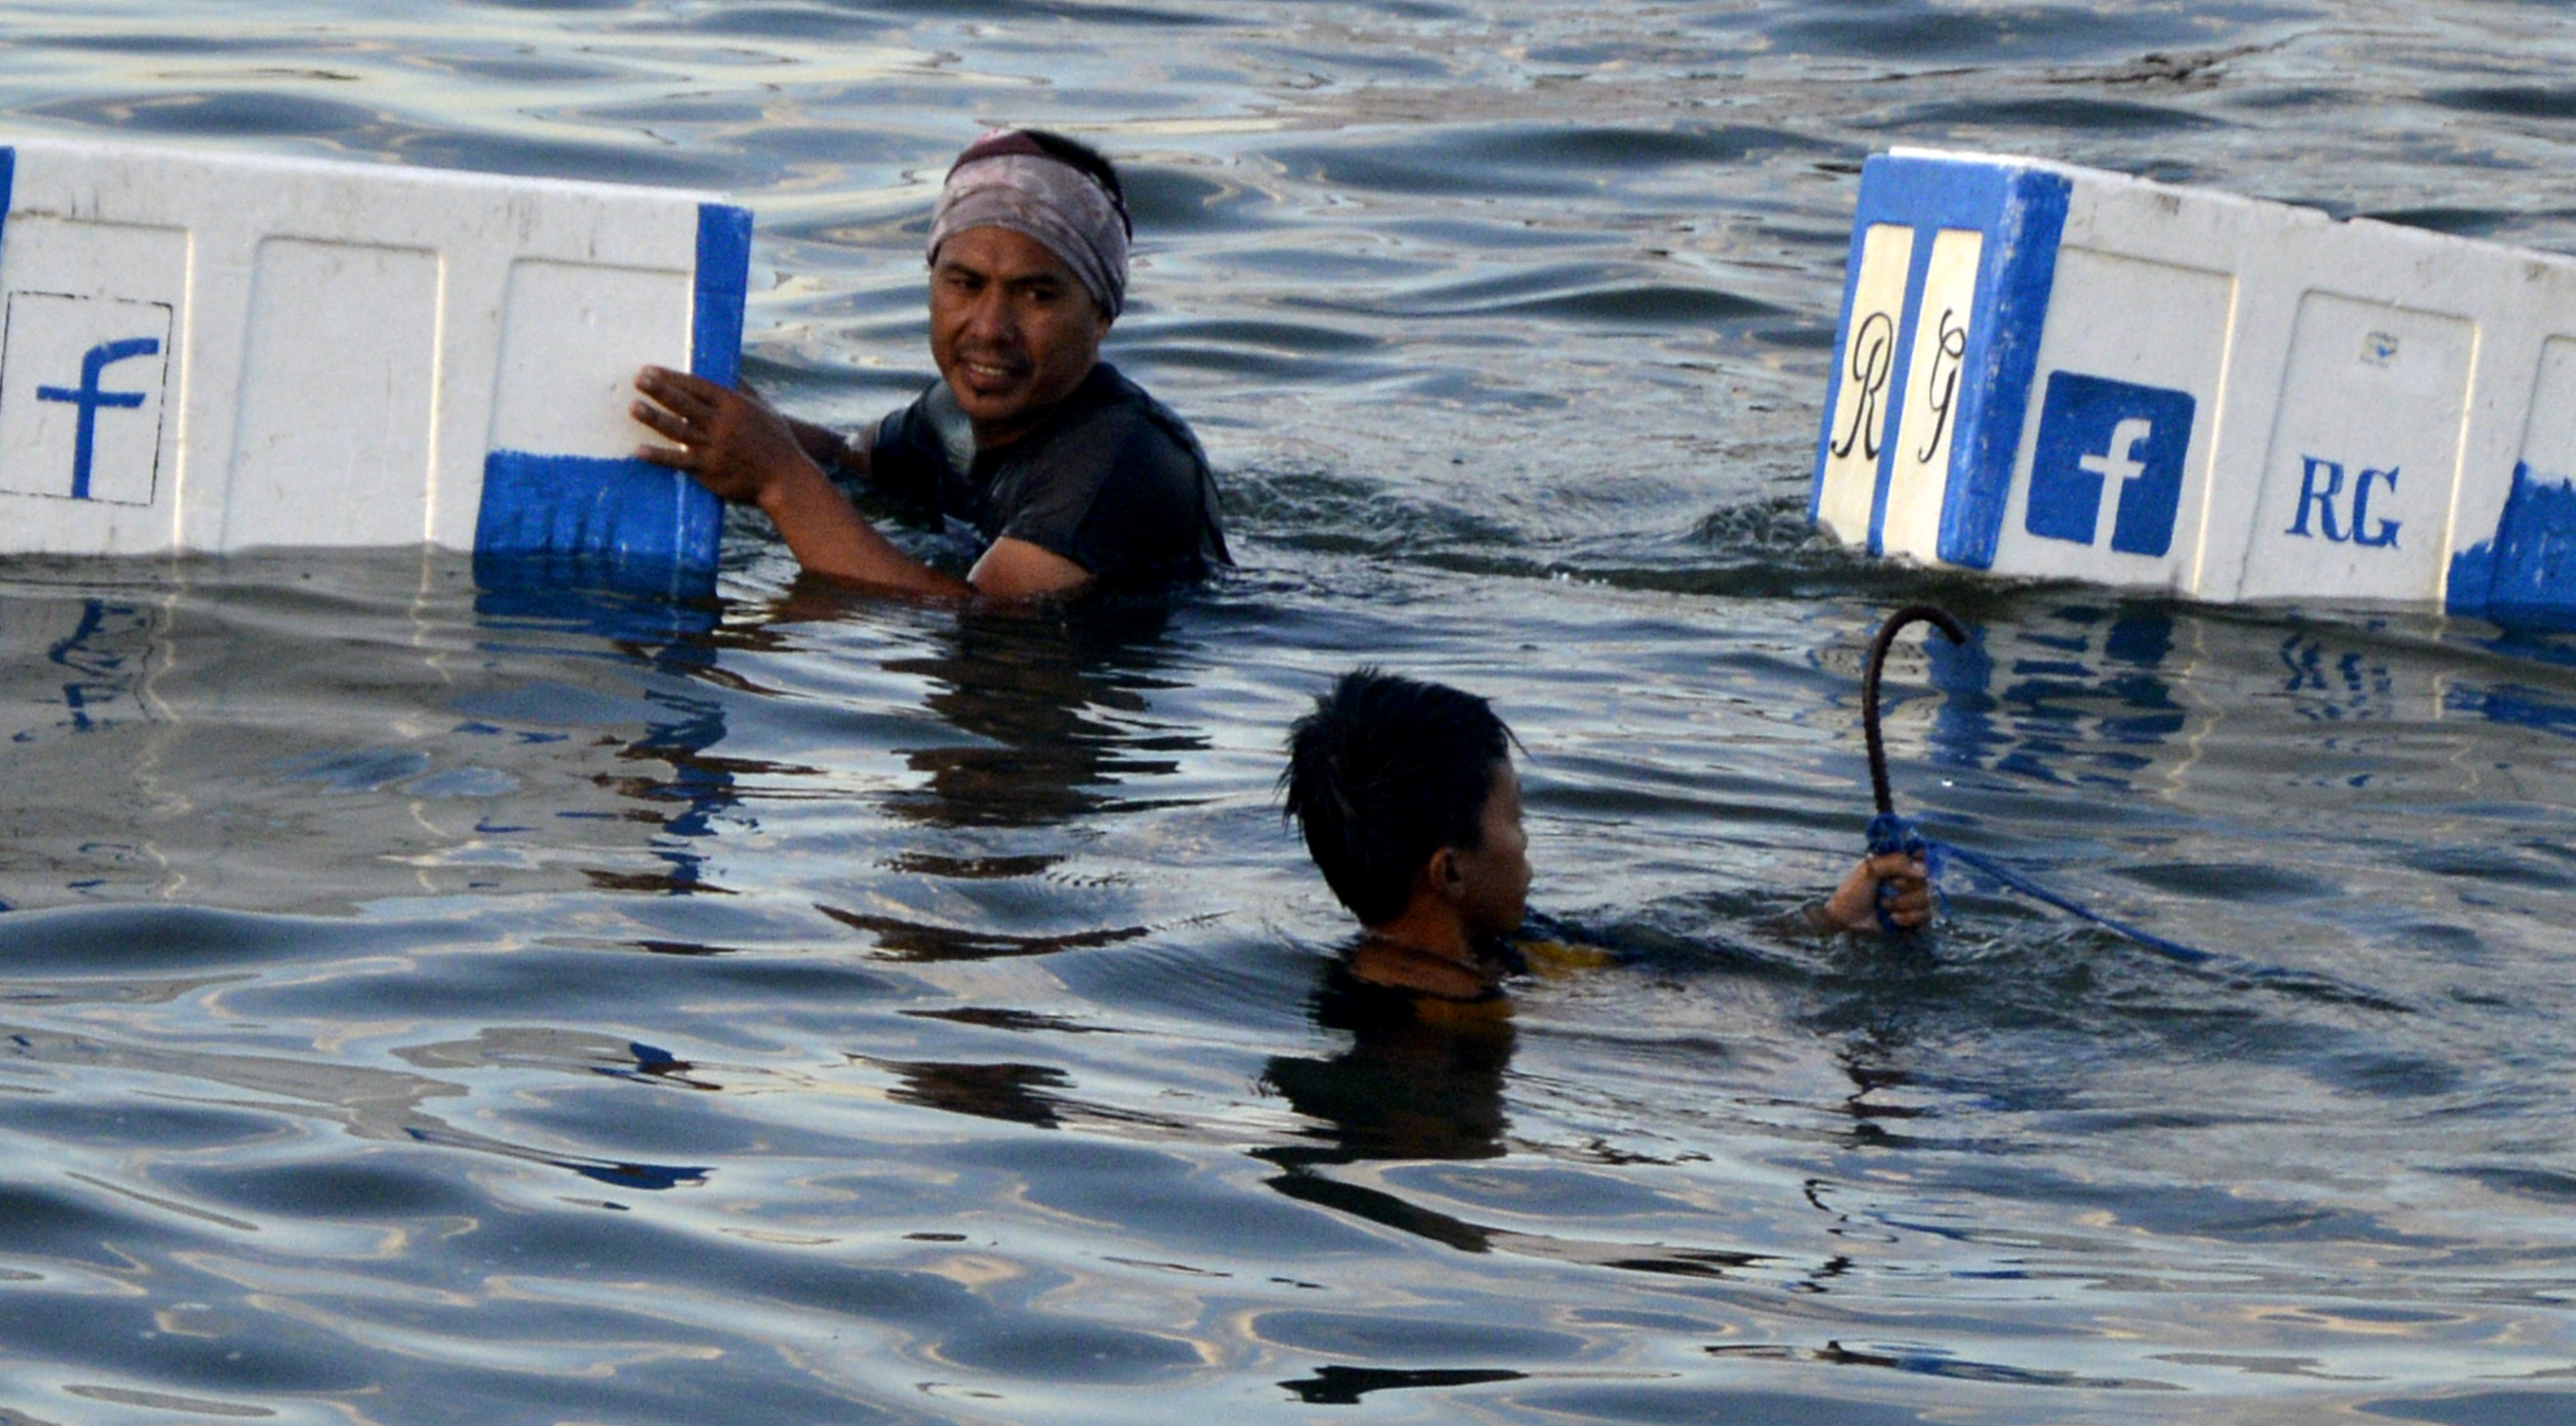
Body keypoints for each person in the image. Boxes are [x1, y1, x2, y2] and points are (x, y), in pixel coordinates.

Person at [631, 127, 1225, 602]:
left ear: (1101, 314)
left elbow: (974, 616)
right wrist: (718, 408)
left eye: (1036, 294)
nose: (990, 328)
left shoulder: (1120, 464)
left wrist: (778, 480)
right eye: (964, 284)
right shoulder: (954, 413)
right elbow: (846, 463)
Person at [1281, 669, 1929, 1001]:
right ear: (1448, 872)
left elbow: (1662, 965)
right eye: (1516, 822)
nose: (1528, 848)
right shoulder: (1436, 1015)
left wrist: (1835, 920)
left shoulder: (1500, 944)